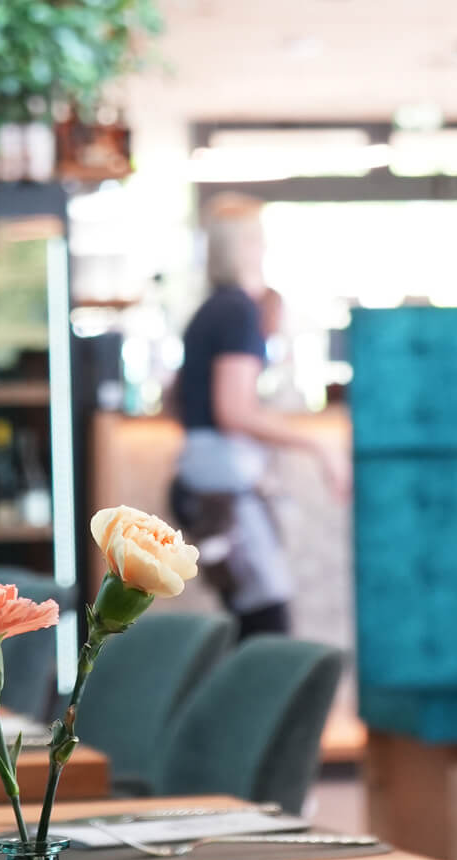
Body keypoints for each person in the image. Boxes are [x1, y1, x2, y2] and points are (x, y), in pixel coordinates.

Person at [170, 193, 349, 639]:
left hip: (206, 476)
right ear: (248, 245)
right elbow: (234, 410)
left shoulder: (213, 309)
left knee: (251, 620)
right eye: (260, 238)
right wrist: (319, 446)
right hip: (225, 486)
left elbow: (178, 399)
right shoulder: (237, 310)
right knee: (267, 624)